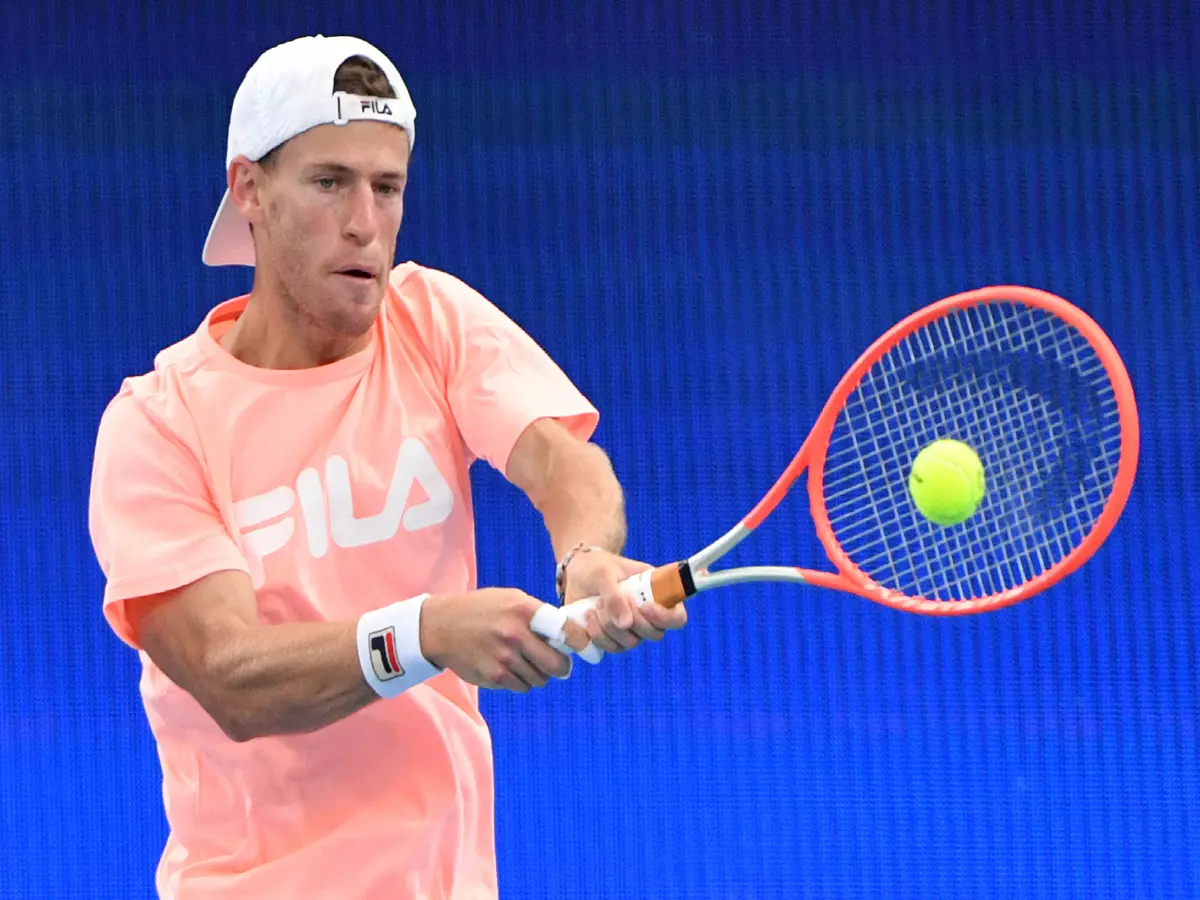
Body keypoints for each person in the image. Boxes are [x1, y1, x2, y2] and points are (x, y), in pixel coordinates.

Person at [87, 34, 687, 899]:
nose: (365, 221)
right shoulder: (157, 424)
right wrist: (429, 631)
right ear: (249, 189)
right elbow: (231, 677)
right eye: (329, 183)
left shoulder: (431, 320)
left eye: (388, 186)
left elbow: (562, 462)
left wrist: (584, 555)